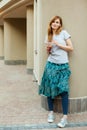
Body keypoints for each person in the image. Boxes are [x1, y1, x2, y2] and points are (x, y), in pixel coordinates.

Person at [39, 15, 73, 128]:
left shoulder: (64, 33)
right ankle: (51, 113)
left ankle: (65, 118)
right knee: (49, 89)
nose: (55, 23)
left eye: (57, 22)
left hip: (63, 66)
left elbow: (71, 48)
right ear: (51, 23)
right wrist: (48, 49)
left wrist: (57, 44)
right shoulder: (48, 35)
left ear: (60, 24)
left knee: (64, 91)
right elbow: (49, 52)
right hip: (51, 65)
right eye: (53, 21)